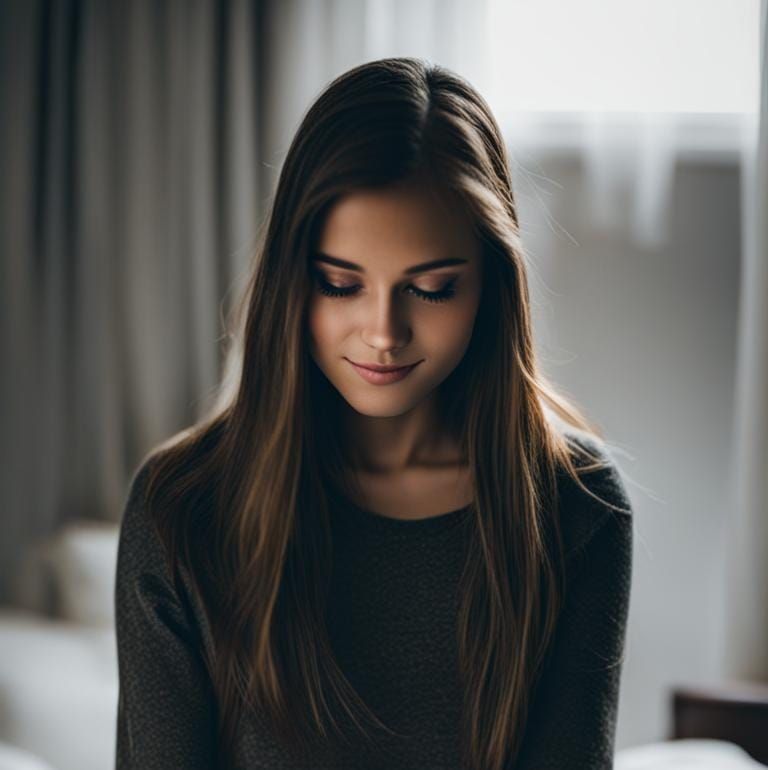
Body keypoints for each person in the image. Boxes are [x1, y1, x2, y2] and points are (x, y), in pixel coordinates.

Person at [114, 56, 633, 770]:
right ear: (292, 283)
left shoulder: (577, 505)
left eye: (431, 289)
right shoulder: (179, 511)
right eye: (340, 284)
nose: (384, 332)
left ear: (491, 287)